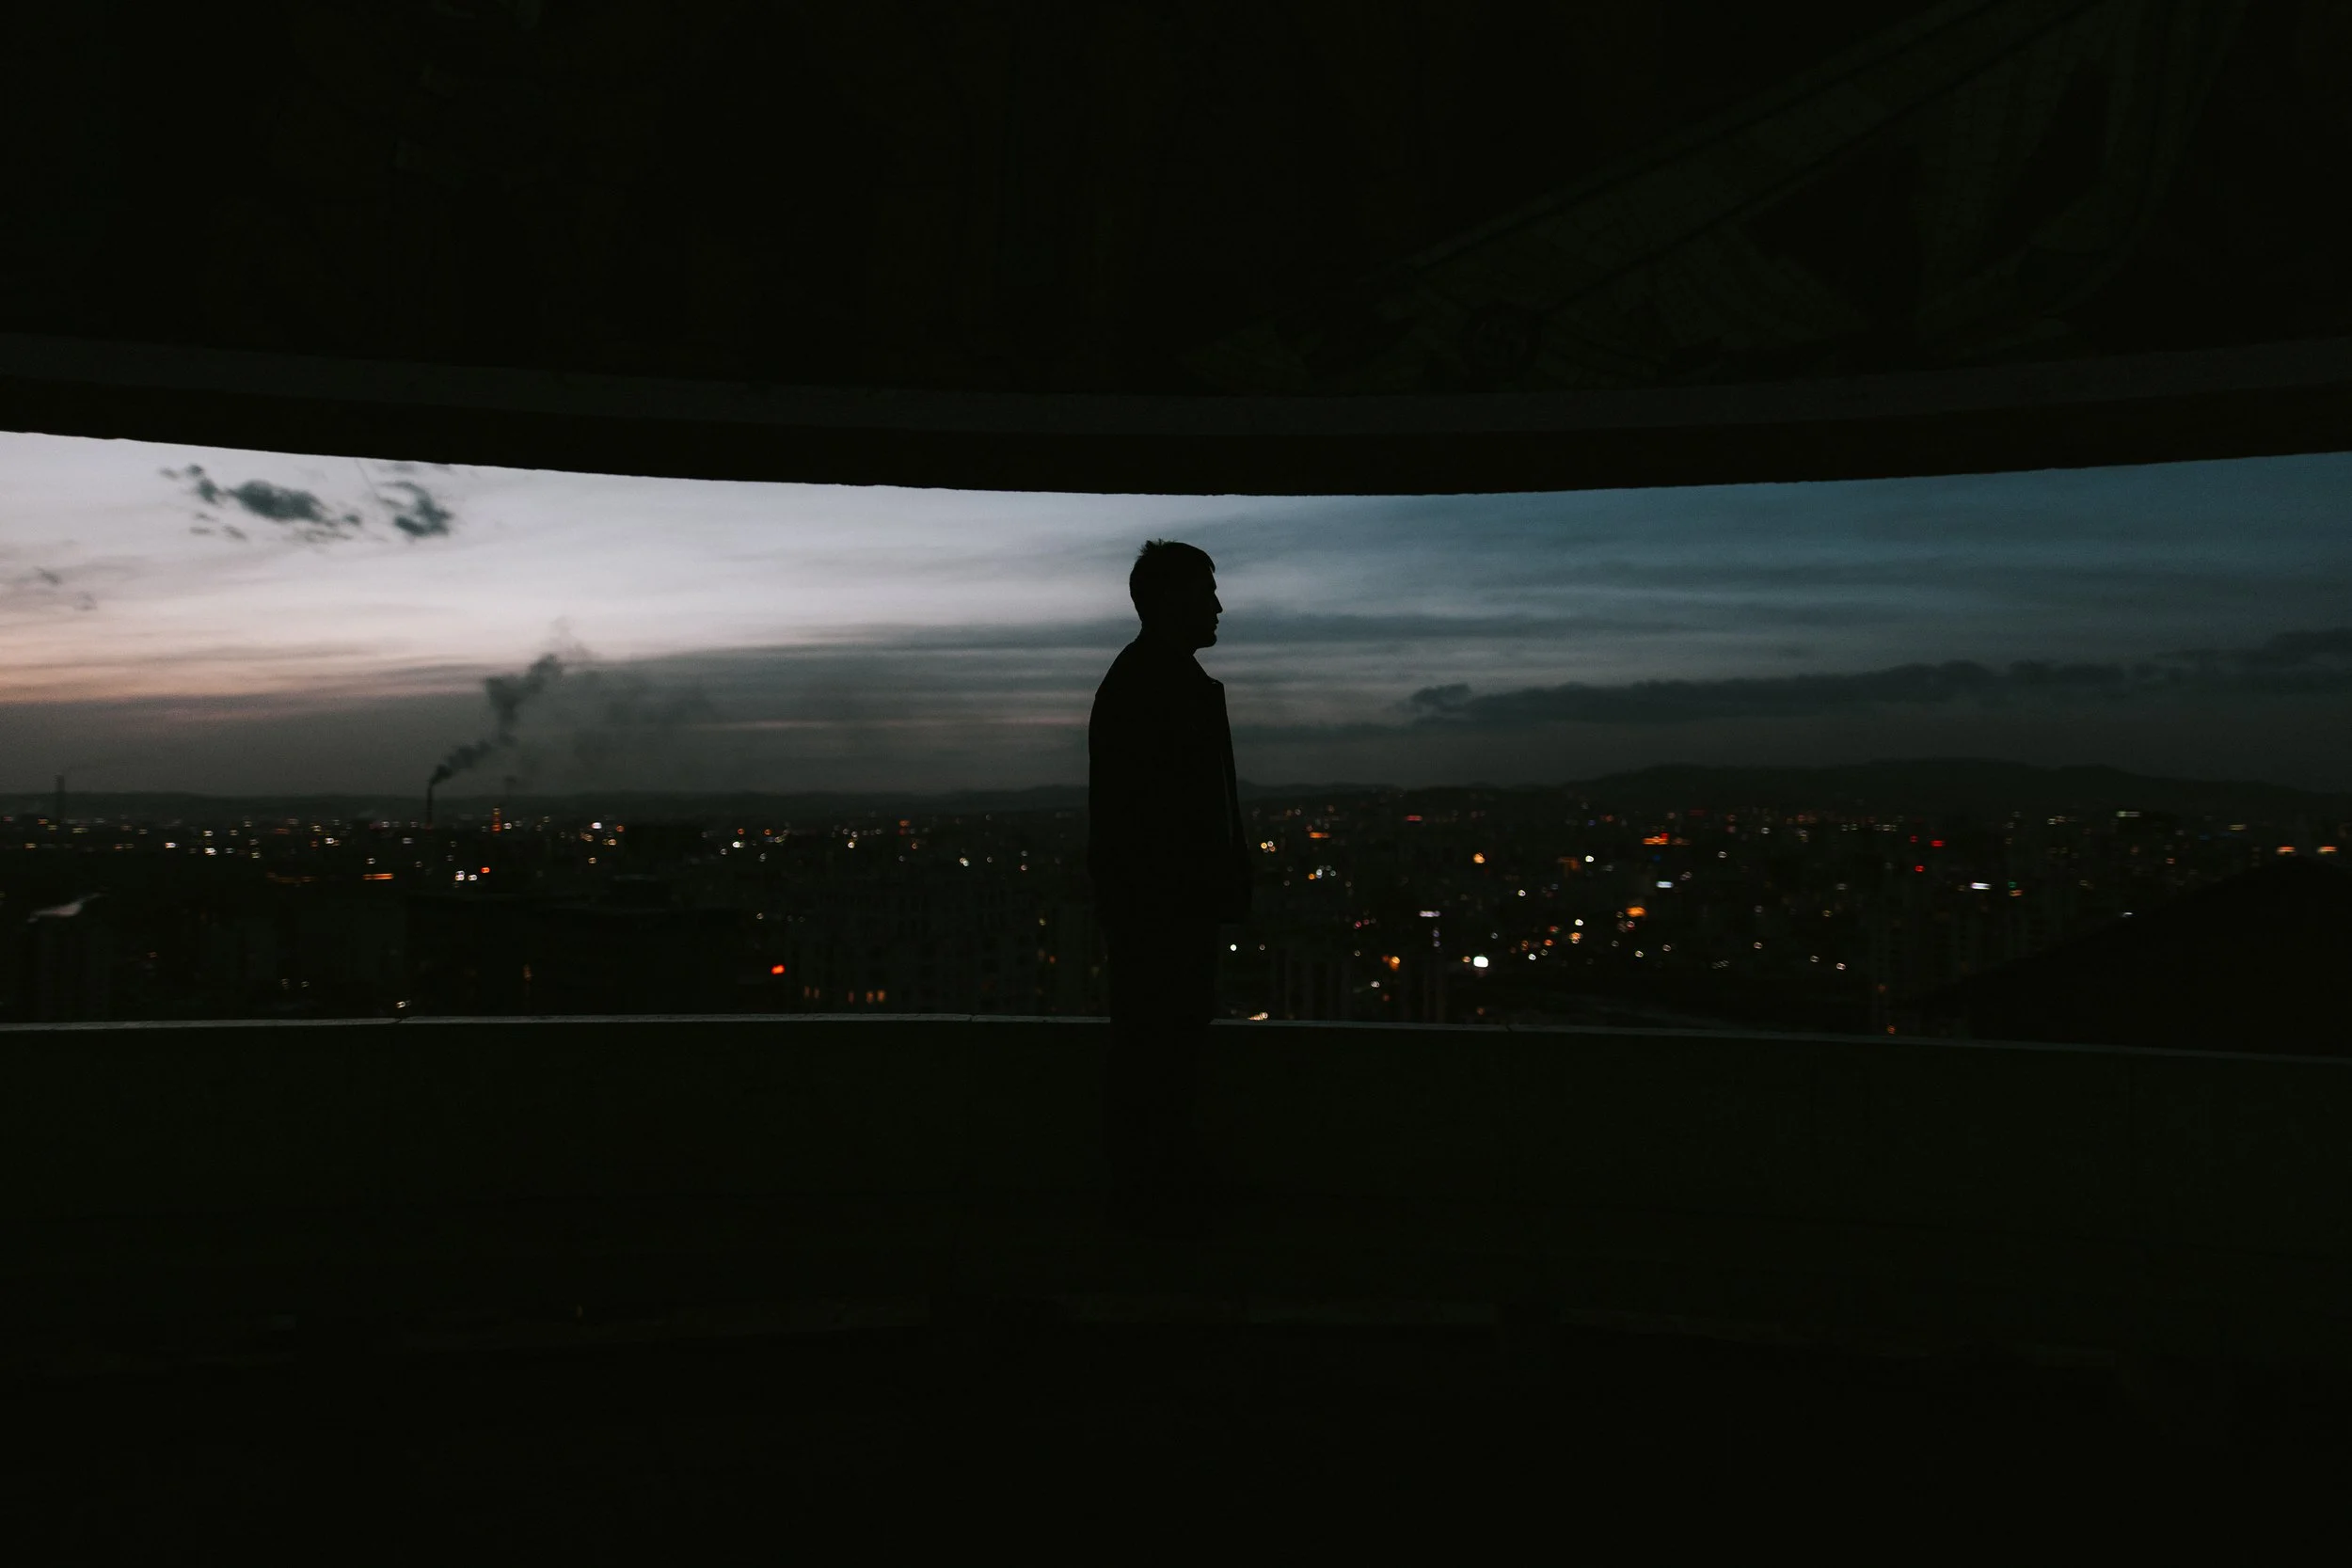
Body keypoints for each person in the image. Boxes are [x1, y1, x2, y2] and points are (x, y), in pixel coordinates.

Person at [1087, 541, 1250, 1238]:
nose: (1217, 605)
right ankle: (1154, 1208)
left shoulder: (1150, 682)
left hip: (1161, 913)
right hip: (1165, 915)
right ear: (1167, 599)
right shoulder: (1159, 688)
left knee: (1160, 1057)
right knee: (1161, 1059)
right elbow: (1163, 817)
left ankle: (1153, 1201)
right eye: (1205, 591)